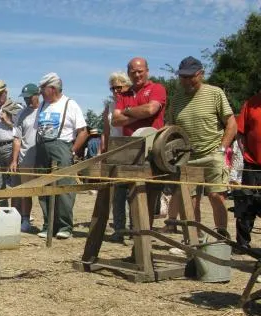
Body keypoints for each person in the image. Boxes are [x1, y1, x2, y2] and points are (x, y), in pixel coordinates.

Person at [166, 56, 237, 239]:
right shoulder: (177, 98)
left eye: (191, 76)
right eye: (183, 77)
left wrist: (221, 149)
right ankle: (193, 239)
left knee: (216, 197)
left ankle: (221, 238)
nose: (187, 81)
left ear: (201, 74)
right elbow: (170, 127)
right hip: (187, 157)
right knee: (189, 201)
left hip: (213, 153)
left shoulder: (215, 93)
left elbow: (231, 124)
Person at [111, 57, 167, 230]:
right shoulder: (123, 95)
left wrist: (127, 112)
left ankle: (143, 235)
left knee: (148, 195)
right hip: (130, 151)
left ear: (147, 71)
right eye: (133, 72)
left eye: (140, 71)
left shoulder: (157, 88)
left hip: (152, 150)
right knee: (122, 191)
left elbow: (152, 109)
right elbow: (115, 120)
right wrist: (139, 113)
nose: (137, 75)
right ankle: (129, 232)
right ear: (129, 73)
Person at [35, 72, 88, 239]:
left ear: (52, 88)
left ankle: (65, 226)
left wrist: (72, 151)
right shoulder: (42, 105)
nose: (41, 92)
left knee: (64, 187)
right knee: (43, 187)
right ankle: (47, 224)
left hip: (62, 147)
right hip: (42, 147)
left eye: (43, 89)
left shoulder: (70, 104)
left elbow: (83, 132)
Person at [102, 71, 133, 242]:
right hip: (115, 149)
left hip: (132, 148)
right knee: (118, 193)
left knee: (134, 192)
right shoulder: (109, 107)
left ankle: (136, 230)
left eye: (119, 87)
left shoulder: (133, 102)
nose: (116, 91)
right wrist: (105, 151)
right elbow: (106, 132)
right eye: (113, 88)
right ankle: (119, 229)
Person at [10, 83, 41, 232]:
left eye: (30, 97)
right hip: (26, 158)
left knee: (44, 191)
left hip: (42, 156)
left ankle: (48, 222)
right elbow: (17, 139)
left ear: (38, 95)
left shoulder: (44, 110)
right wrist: (14, 160)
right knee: (26, 191)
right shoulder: (21, 114)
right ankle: (25, 219)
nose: (28, 100)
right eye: (25, 98)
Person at [233, 91, 261, 250]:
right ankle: (242, 244)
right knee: (246, 203)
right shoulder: (251, 103)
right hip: (253, 165)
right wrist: (246, 156)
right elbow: (241, 134)